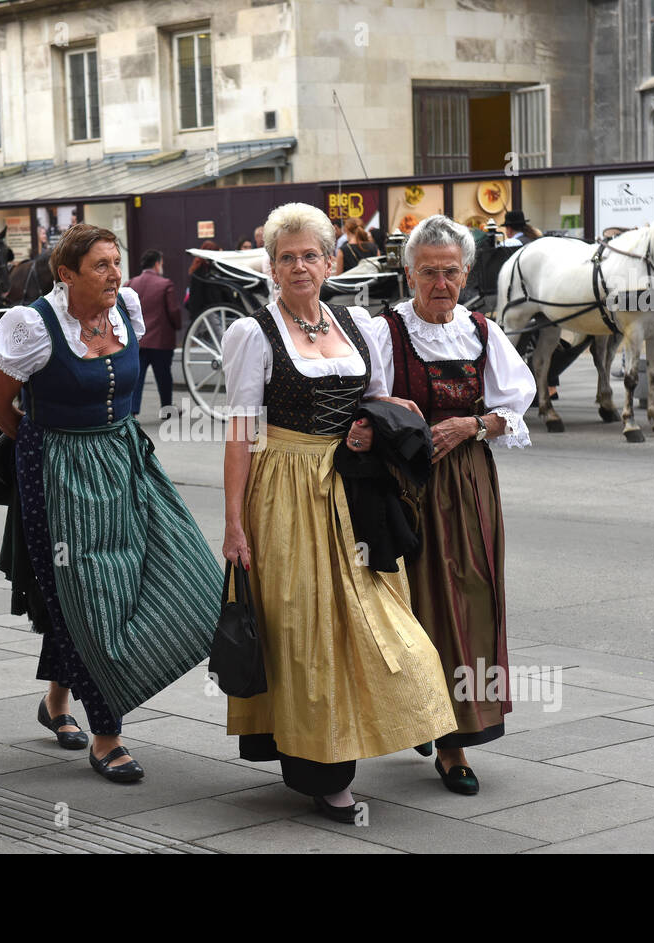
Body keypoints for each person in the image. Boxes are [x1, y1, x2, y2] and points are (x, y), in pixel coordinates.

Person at [221, 202, 457, 823]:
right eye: (286, 257)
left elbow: (382, 403)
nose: (299, 266)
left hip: (354, 494)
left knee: (379, 624)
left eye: (310, 255)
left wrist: (367, 430)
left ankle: (385, 726)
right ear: (270, 267)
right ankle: (324, 771)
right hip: (285, 491)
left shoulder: (356, 324)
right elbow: (241, 435)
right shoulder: (254, 334)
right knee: (305, 630)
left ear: (332, 261)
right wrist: (234, 525)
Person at [0, 223, 221, 784]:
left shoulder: (128, 308)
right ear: (66, 274)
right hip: (61, 474)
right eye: (101, 266)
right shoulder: (31, 325)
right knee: (91, 598)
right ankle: (106, 734)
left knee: (195, 579)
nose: (115, 274)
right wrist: (43, 447)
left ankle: (57, 701)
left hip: (128, 458)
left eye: (117, 262)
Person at [369, 215, 534, 795]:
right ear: (408, 273)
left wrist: (473, 424)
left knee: (468, 601)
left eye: (451, 272)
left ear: (466, 273)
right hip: (404, 484)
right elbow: (365, 404)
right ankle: (418, 715)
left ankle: (455, 740)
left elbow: (516, 402)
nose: (441, 283)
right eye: (429, 272)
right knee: (407, 607)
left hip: (467, 484)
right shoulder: (383, 331)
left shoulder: (483, 331)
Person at [124, 249, 182, 417]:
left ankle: (132, 412)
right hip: (161, 340)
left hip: (138, 341)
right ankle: (166, 409)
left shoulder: (130, 284)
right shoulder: (165, 284)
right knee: (164, 376)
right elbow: (173, 311)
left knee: (137, 377)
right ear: (157, 264)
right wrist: (177, 326)